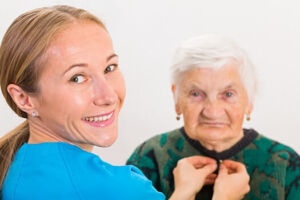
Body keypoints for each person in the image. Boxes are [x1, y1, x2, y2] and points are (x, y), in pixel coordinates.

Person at [0, 6, 250, 200]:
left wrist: (183, 191)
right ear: (23, 98)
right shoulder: (121, 188)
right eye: (77, 78)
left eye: (109, 67)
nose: (108, 95)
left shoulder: (18, 168)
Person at [127, 35, 300, 200]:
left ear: (249, 100)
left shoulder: (285, 163)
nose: (212, 111)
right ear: (176, 99)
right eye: (196, 94)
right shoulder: (149, 157)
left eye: (228, 94)